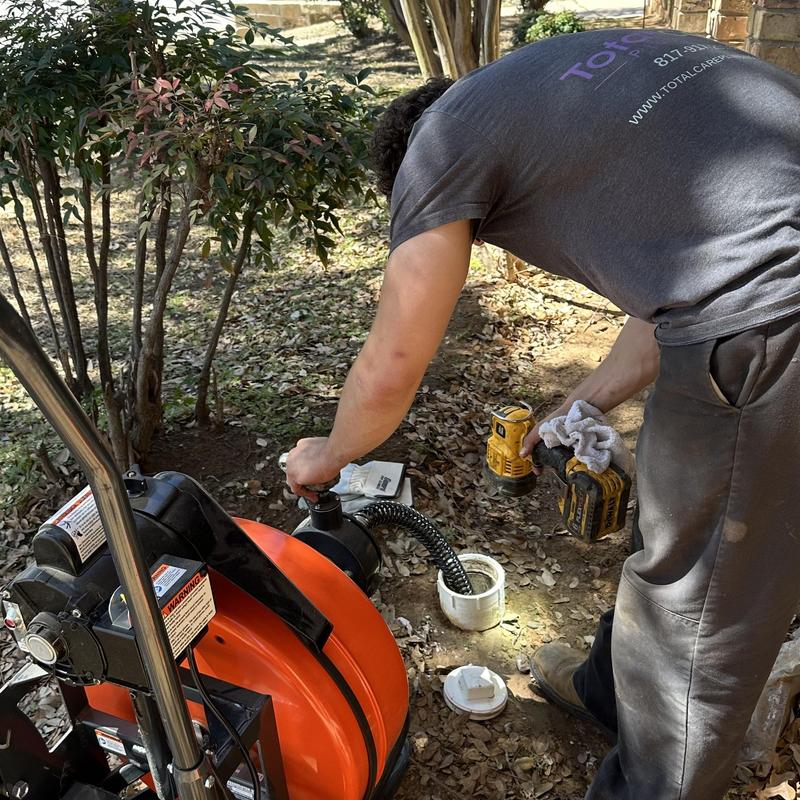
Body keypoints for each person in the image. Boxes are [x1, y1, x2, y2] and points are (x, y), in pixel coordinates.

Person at [285, 27, 800, 800]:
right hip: (762, 289)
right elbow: (668, 302)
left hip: (770, 318)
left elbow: (393, 363)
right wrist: (577, 407)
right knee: (721, 545)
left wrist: (328, 455)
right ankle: (607, 688)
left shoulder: (441, 147)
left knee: (696, 616)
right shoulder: (561, 86)